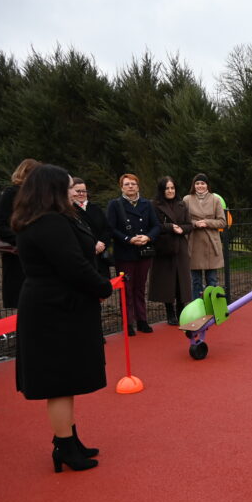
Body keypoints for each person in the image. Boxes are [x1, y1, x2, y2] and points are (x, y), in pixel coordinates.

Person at [12, 164, 114, 472]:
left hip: (59, 305)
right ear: (53, 190)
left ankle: (70, 439)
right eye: (68, 187)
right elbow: (72, 264)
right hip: (55, 309)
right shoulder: (48, 223)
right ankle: (65, 446)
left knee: (65, 380)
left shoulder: (48, 219)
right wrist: (103, 286)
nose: (74, 192)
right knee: (58, 382)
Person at [106, 173, 160, 335]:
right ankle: (128, 323)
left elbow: (156, 225)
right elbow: (111, 228)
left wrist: (148, 237)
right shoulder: (115, 205)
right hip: (125, 253)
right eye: (127, 184)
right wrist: (128, 239)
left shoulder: (147, 204)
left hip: (144, 252)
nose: (130, 187)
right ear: (121, 187)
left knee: (140, 287)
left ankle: (142, 320)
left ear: (138, 186)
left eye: (133, 184)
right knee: (126, 289)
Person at [0, 158, 41, 309]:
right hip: (18, 256)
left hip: (39, 255)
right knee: (23, 302)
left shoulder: (40, 196)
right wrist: (22, 241)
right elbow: (0, 225)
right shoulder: (11, 193)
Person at [149, 176, 192, 325]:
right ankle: (170, 312)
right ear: (162, 189)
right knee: (167, 282)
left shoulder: (182, 204)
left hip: (180, 246)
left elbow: (189, 224)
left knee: (181, 281)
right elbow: (153, 225)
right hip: (164, 247)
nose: (170, 191)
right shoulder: (154, 205)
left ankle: (181, 311)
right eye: (167, 188)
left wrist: (182, 229)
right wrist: (169, 227)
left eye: (172, 188)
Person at [183, 173, 226, 300]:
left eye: (202, 183)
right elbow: (183, 220)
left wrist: (207, 222)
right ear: (193, 185)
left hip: (211, 244)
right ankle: (197, 306)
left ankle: (213, 306)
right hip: (194, 243)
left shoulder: (215, 199)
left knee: (212, 280)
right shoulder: (187, 199)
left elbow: (222, 222)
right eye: (197, 183)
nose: (200, 186)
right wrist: (195, 223)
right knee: (195, 281)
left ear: (207, 185)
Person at [71, 177, 111, 278]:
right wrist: (93, 245)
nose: (81, 193)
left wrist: (102, 244)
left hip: (101, 256)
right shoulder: (70, 211)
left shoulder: (96, 208)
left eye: (83, 191)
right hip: (84, 257)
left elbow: (107, 229)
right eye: (78, 191)